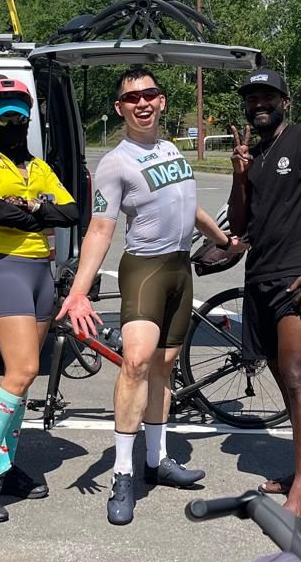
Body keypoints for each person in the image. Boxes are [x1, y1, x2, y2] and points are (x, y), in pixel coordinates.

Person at [57, 67, 235, 526]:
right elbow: (100, 227)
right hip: (146, 269)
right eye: (131, 97)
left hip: (180, 268)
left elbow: (188, 205)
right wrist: (79, 293)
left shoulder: (173, 149)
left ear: (161, 102)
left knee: (165, 366)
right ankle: (122, 472)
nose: (142, 102)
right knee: (136, 363)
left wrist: (223, 239)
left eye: (149, 94)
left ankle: (156, 460)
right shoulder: (116, 162)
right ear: (120, 108)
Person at [0, 77, 80, 523]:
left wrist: (27, 208)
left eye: (20, 111)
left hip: (41, 273)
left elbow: (72, 212)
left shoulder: (37, 165)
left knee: (22, 378)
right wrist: (38, 209)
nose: (14, 120)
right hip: (4, 267)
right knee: (24, 369)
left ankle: (5, 465)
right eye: (4, 112)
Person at [224, 68, 301, 528]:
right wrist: (240, 175)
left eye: (267, 96)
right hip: (261, 279)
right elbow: (239, 225)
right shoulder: (253, 154)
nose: (259, 104)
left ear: (285, 101)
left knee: (298, 381)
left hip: (300, 279)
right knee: (281, 377)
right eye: (252, 98)